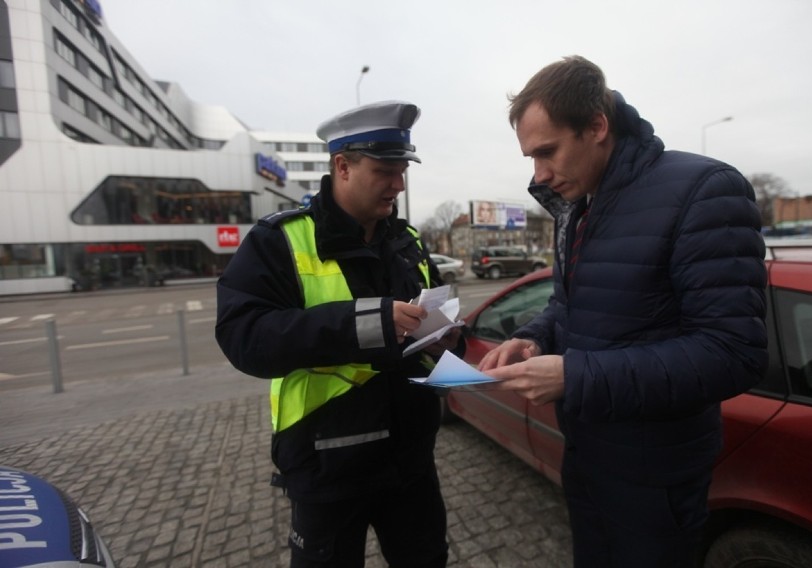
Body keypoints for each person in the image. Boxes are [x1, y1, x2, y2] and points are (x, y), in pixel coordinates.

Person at [479, 56, 768, 567]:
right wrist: (535, 338)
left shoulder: (703, 190)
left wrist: (575, 375)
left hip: (655, 476)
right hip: (587, 456)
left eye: (547, 152)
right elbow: (569, 304)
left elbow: (733, 352)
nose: (539, 174)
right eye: (530, 157)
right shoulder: (576, 204)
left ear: (596, 126)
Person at [215, 100, 463, 568]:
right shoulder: (278, 241)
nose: (399, 183)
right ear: (342, 166)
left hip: (410, 464)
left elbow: (431, 330)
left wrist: (449, 340)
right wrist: (368, 323)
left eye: (402, 169)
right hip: (327, 468)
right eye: (386, 170)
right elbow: (244, 338)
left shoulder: (407, 242)